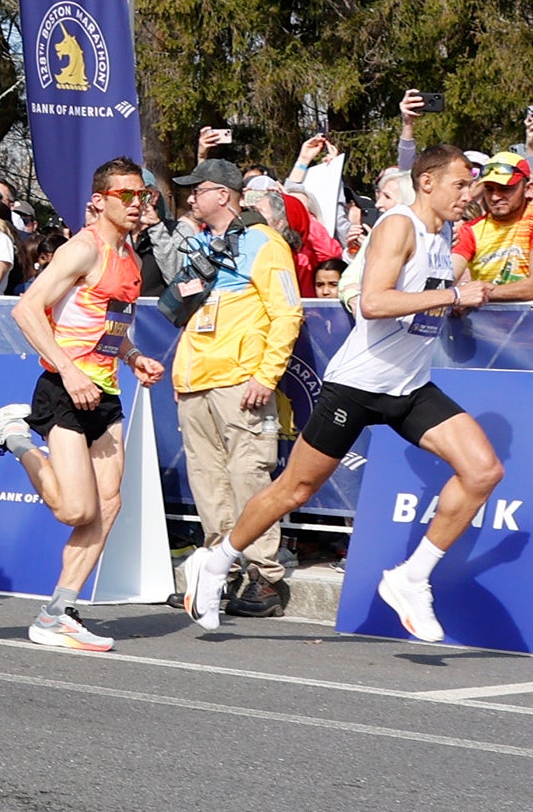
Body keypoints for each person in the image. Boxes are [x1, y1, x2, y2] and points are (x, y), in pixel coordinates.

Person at [183, 143, 507, 641]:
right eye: (461, 184)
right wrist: (451, 295)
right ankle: (215, 560)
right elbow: (374, 302)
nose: (471, 194)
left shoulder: (447, 236)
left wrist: (465, 296)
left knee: (484, 470)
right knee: (295, 488)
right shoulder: (400, 225)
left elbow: (453, 294)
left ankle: (411, 577)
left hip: (408, 388)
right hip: (357, 386)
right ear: (427, 182)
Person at [0, 156, 166, 654]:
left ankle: (59, 612)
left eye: (143, 196)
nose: (138, 204)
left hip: (106, 393)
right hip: (63, 389)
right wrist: (70, 370)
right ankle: (12, 435)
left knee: (110, 503)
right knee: (76, 509)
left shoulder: (131, 259)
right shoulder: (82, 248)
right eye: (127, 196)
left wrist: (134, 355)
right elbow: (26, 309)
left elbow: (109, 325)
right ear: (99, 201)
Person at [160, 157, 300, 618]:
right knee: (209, 483)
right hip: (197, 381)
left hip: (241, 381)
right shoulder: (201, 244)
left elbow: (286, 314)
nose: (191, 197)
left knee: (249, 478)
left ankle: (264, 576)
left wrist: (266, 375)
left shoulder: (265, 242)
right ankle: (220, 569)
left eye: (197, 190)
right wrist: (183, 374)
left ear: (223, 194)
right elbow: (192, 317)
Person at [454, 149, 531, 292]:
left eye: (505, 188)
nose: (495, 197)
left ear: (528, 189)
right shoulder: (471, 230)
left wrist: (482, 293)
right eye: (489, 189)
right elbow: (449, 276)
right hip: (486, 313)